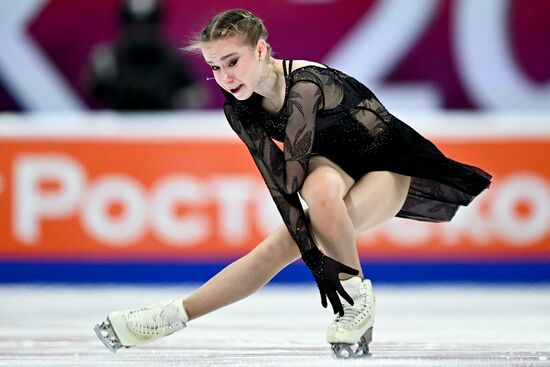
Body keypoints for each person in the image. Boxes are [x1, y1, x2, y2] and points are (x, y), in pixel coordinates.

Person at [94, 9, 491, 358]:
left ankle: (353, 296)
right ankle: (172, 317)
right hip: (334, 165)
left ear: (262, 50)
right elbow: (281, 187)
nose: (225, 77)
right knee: (297, 227)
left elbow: (297, 171)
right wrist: (313, 258)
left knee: (297, 228)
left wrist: (319, 261)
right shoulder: (240, 108)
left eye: (232, 61)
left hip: (388, 165)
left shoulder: (305, 85)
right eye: (215, 67)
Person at [88, 0, 207, 110]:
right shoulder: (109, 57)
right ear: (124, 26)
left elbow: (198, 92)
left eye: (148, 25)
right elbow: (94, 93)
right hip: (120, 127)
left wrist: (184, 99)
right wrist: (99, 77)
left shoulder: (172, 56)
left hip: (163, 125)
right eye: (134, 25)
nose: (142, 32)